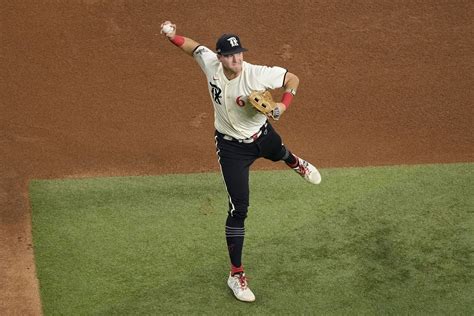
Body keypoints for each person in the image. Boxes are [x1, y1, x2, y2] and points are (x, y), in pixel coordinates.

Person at [161, 21, 321, 302]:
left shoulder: (257, 74)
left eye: (240, 53)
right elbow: (193, 48)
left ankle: (296, 163)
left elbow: (292, 79)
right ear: (220, 56)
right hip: (231, 148)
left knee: (280, 153)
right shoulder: (211, 63)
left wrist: (283, 105)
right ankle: (236, 275)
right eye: (231, 55)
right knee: (239, 209)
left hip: (262, 134)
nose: (238, 58)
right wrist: (173, 36)